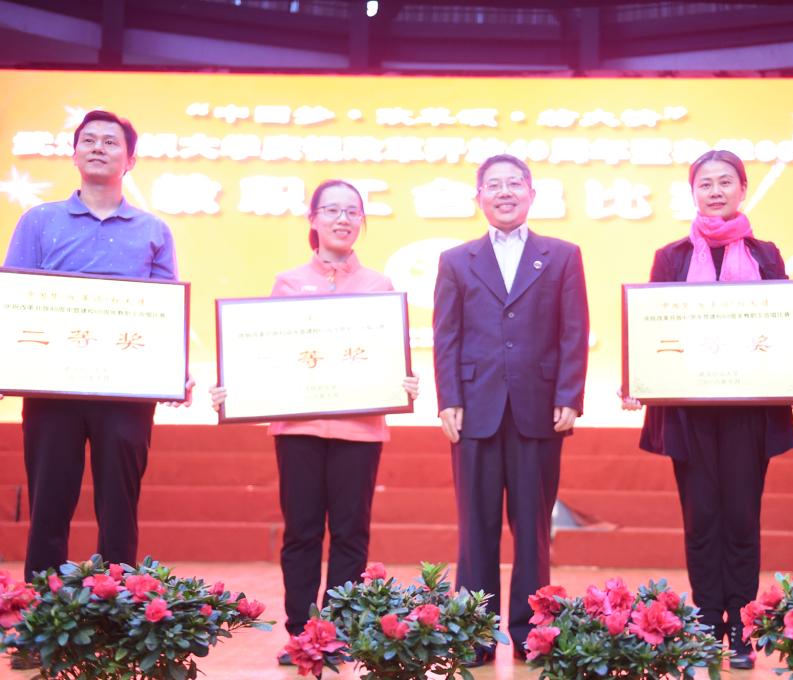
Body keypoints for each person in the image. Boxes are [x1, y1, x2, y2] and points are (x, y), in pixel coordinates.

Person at [621, 149, 793, 670]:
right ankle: (708, 625)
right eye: (704, 183)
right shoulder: (671, 257)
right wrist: (638, 378)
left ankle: (743, 630)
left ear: (743, 189)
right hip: (690, 414)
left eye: (725, 181)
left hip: (749, 413)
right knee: (702, 519)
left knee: (742, 519)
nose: (714, 191)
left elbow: (784, 326)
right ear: (693, 193)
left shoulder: (765, 255)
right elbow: (654, 328)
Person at [210, 179, 419, 665]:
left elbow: (389, 357)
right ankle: (303, 633)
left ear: (362, 221)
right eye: (332, 210)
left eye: (352, 211)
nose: (343, 219)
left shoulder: (380, 287)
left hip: (359, 430)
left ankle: (338, 631)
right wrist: (234, 387)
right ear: (313, 219)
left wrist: (403, 382)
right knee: (301, 532)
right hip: (298, 429)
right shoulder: (287, 282)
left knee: (351, 533)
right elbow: (263, 353)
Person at [2, 110, 191, 587]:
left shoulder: (152, 230)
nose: (98, 147)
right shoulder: (39, 221)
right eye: (88, 140)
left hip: (126, 394)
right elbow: (14, 302)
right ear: (74, 155)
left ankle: (118, 610)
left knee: (119, 509)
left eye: (110, 141)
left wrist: (173, 369)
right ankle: (42, 613)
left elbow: (163, 313)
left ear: (130, 161)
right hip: (51, 390)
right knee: (49, 506)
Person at [432, 154, 589, 664]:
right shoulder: (456, 260)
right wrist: (448, 399)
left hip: (538, 409)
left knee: (533, 531)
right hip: (473, 409)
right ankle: (473, 634)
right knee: (475, 530)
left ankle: (531, 634)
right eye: (494, 185)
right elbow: (446, 336)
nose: (504, 192)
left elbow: (573, 330)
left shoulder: (562, 255)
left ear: (531, 193)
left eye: (514, 184)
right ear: (478, 196)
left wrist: (569, 395)